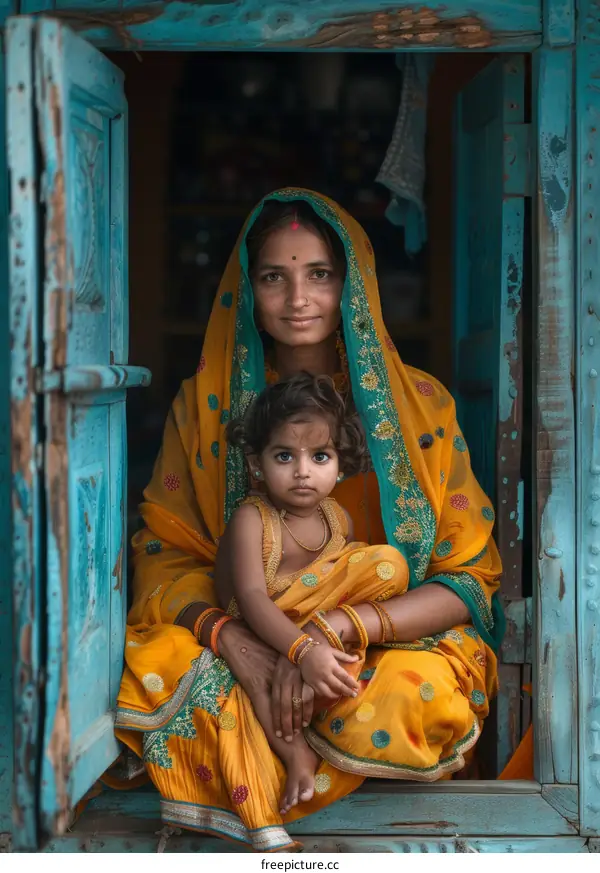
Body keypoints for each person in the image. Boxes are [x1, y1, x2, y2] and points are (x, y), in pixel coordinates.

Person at [115, 189, 504, 852]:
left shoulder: (423, 406)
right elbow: (164, 552)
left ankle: (267, 778)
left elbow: (468, 578)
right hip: (241, 636)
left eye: (320, 274)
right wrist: (242, 643)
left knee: (415, 695)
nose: (298, 297)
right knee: (158, 670)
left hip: (381, 647)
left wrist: (344, 627)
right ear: (247, 289)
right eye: (274, 276)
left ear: (354, 285)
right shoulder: (204, 408)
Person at [214, 372, 410, 814]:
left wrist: (315, 646)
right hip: (259, 629)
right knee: (260, 685)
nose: (303, 471)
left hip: (311, 633)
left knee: (386, 564)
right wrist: (302, 650)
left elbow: (343, 585)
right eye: (285, 455)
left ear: (341, 464)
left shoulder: (337, 519)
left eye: (319, 456)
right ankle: (295, 753)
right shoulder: (253, 519)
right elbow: (251, 598)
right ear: (256, 464)